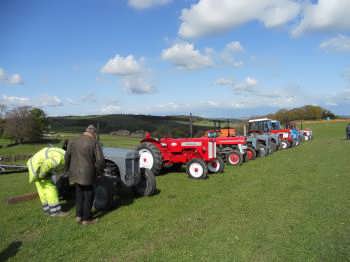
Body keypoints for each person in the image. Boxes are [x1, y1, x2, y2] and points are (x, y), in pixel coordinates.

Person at [65, 125, 105, 225]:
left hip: (75, 173)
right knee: (88, 195)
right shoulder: (94, 142)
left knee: (79, 194)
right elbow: (100, 161)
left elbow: (67, 157)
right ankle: (86, 219)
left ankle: (78, 216)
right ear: (94, 133)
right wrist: (99, 172)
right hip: (88, 174)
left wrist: (67, 170)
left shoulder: (73, 140)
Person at [26, 147, 68, 216]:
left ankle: (47, 210)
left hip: (34, 165)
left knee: (42, 189)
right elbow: (47, 164)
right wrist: (42, 174)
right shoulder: (61, 158)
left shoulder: (63, 154)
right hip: (39, 168)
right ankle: (55, 212)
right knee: (50, 188)